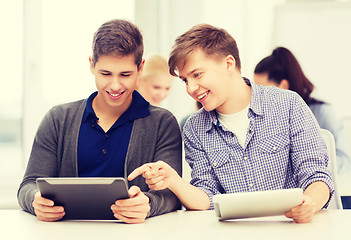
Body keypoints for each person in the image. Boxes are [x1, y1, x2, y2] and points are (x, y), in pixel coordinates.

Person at [128, 24, 334, 223]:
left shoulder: (288, 104)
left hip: (291, 228)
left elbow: (316, 176)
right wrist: (173, 181)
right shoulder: (194, 128)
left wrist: (310, 203)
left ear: (228, 64)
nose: (190, 88)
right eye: (184, 80)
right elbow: (207, 197)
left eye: (197, 74)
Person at [17, 19, 182, 224]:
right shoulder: (58, 119)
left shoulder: (162, 123)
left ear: (140, 69)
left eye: (125, 74)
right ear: (91, 65)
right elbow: (28, 185)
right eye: (105, 73)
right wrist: (35, 201)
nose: (115, 85)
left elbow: (172, 195)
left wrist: (148, 203)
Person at [253, 47, 351, 174]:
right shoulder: (261, 118)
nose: (257, 96)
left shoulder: (322, 112)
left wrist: (308, 164)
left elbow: (344, 160)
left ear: (283, 87)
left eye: (262, 90)